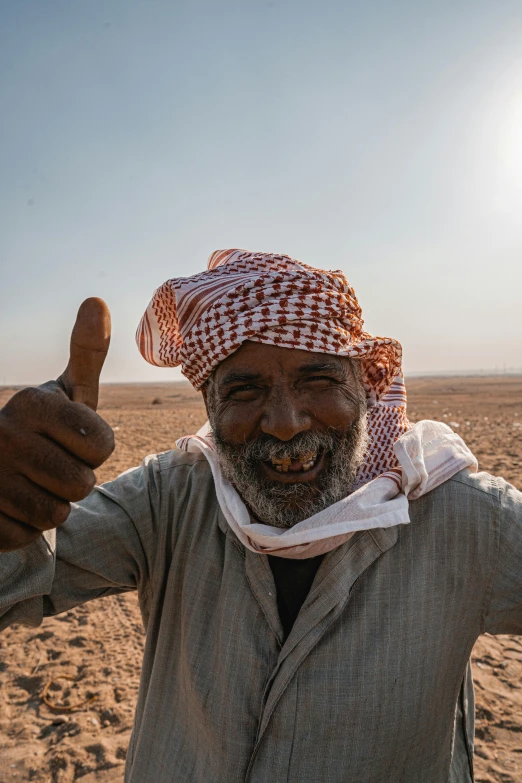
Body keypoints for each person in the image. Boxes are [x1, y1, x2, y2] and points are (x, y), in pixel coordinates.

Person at [0, 248, 521, 783]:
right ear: (209, 406)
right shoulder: (168, 500)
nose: (286, 423)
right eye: (245, 390)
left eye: (318, 381)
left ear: (366, 386)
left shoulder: (471, 521)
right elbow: (19, 578)